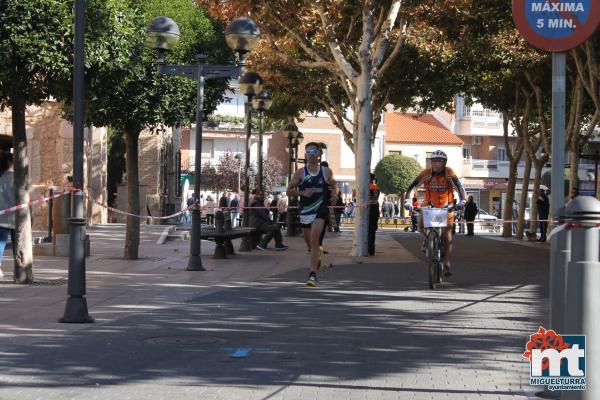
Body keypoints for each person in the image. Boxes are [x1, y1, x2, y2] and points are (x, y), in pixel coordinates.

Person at [405, 150, 466, 277]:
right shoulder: (426, 174)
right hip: (429, 206)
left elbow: (459, 187)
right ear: (431, 162)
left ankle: (447, 264)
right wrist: (407, 200)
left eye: (440, 161)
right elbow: (412, 186)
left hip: (447, 207)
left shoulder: (449, 173)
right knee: (420, 223)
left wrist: (462, 200)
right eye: (434, 161)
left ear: (445, 163)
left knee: (448, 237)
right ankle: (426, 239)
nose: (437, 164)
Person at [287, 142, 339, 286]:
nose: (310, 153)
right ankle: (317, 255)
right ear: (305, 154)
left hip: (320, 210)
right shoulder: (300, 173)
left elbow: (334, 185)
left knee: (315, 239)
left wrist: (335, 194)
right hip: (305, 210)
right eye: (308, 151)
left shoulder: (326, 171)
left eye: (313, 151)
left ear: (319, 154)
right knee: (310, 245)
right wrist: (302, 192)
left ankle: (312, 275)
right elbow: (288, 190)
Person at [0, 153, 15, 279]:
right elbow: (13, 196)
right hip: (11, 215)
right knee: (16, 242)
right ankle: (19, 268)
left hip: (2, 215)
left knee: (1, 243)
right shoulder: (11, 177)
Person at [368, 173, 381, 256]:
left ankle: (368, 248)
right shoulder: (376, 187)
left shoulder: (368, 187)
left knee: (368, 230)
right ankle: (371, 250)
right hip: (375, 208)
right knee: (372, 231)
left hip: (369, 209)